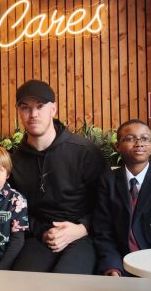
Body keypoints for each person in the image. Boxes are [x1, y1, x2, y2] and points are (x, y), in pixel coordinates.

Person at [10, 79, 107, 274]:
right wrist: (41, 232)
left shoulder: (84, 152)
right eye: (25, 108)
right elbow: (15, 208)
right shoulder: (14, 161)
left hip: (82, 235)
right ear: (19, 112)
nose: (33, 114)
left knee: (66, 283)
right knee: (22, 283)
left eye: (40, 106)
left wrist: (83, 228)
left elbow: (108, 203)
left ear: (53, 109)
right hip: (40, 237)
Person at [93, 119, 151, 276]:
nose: (139, 143)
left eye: (145, 139)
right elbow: (103, 231)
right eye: (130, 138)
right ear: (117, 146)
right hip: (119, 263)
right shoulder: (107, 181)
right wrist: (112, 267)